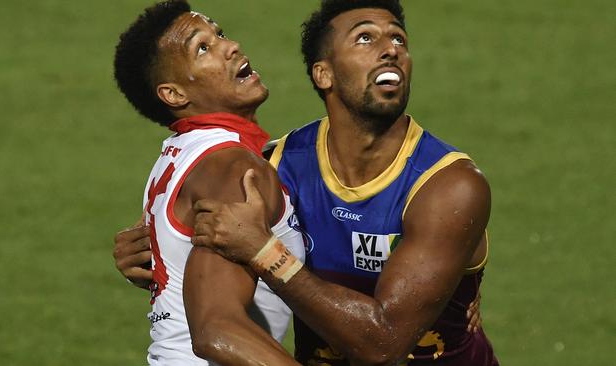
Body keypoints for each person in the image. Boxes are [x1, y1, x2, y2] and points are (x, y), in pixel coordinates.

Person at [114, 0, 492, 365]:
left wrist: (265, 253)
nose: (389, 49)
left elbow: (384, 343)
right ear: (323, 73)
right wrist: (159, 248)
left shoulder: (447, 186)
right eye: (364, 38)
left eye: (399, 39)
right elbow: (215, 323)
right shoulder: (272, 168)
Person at [112, 1, 305, 364]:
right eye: (202, 48)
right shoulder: (231, 169)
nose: (230, 46)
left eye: (218, 34)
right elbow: (217, 331)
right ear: (174, 95)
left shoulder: (178, 153)